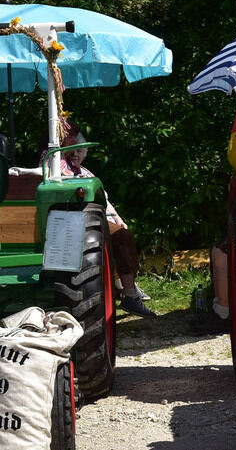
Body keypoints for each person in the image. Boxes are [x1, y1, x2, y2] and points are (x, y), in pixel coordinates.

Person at [9, 125, 155, 318]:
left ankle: (129, 290)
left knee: (122, 232)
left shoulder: (83, 171)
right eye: (73, 147)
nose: (76, 153)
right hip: (73, 224)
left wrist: (118, 218)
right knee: (121, 237)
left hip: (91, 219)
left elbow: (106, 201)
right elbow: (53, 164)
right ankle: (129, 294)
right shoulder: (54, 164)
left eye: (80, 150)